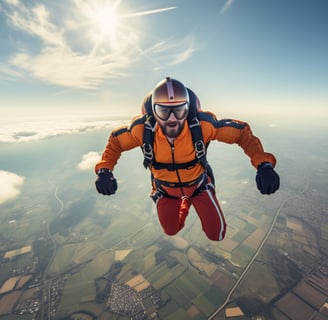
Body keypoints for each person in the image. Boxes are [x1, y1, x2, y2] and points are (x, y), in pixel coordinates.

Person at [95, 77, 280, 241]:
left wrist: (263, 164)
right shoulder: (143, 130)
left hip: (198, 186)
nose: (172, 119)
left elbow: (241, 134)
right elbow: (116, 143)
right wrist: (105, 170)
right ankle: (185, 203)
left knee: (218, 234)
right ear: (153, 112)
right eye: (164, 112)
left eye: (179, 111)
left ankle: (202, 190)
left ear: (188, 110)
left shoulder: (202, 125)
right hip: (165, 189)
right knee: (171, 230)